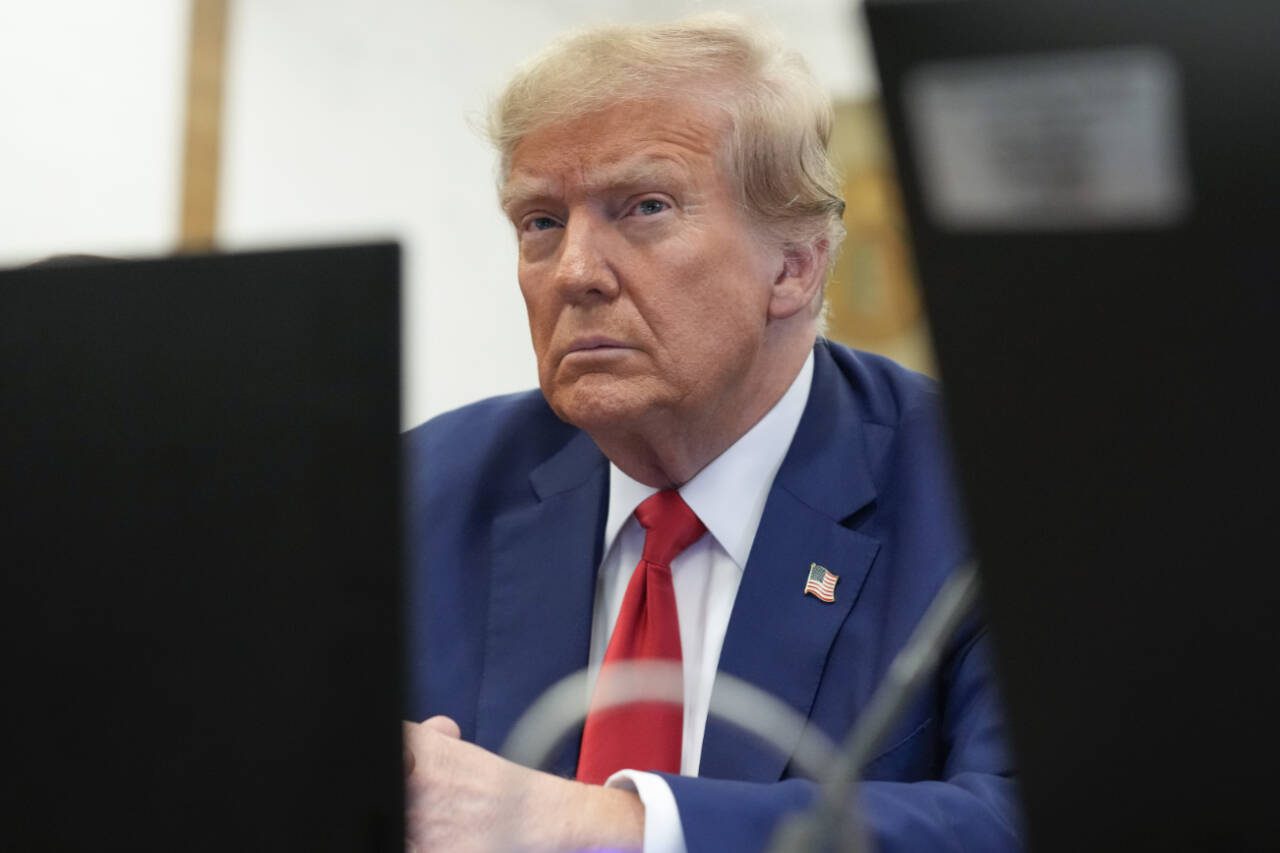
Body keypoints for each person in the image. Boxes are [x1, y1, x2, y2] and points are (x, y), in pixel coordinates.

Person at [401, 13, 1019, 853]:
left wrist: (616, 825)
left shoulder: (980, 485)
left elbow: (1028, 815)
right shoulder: (421, 490)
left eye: (644, 207)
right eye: (541, 221)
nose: (576, 271)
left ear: (794, 265)